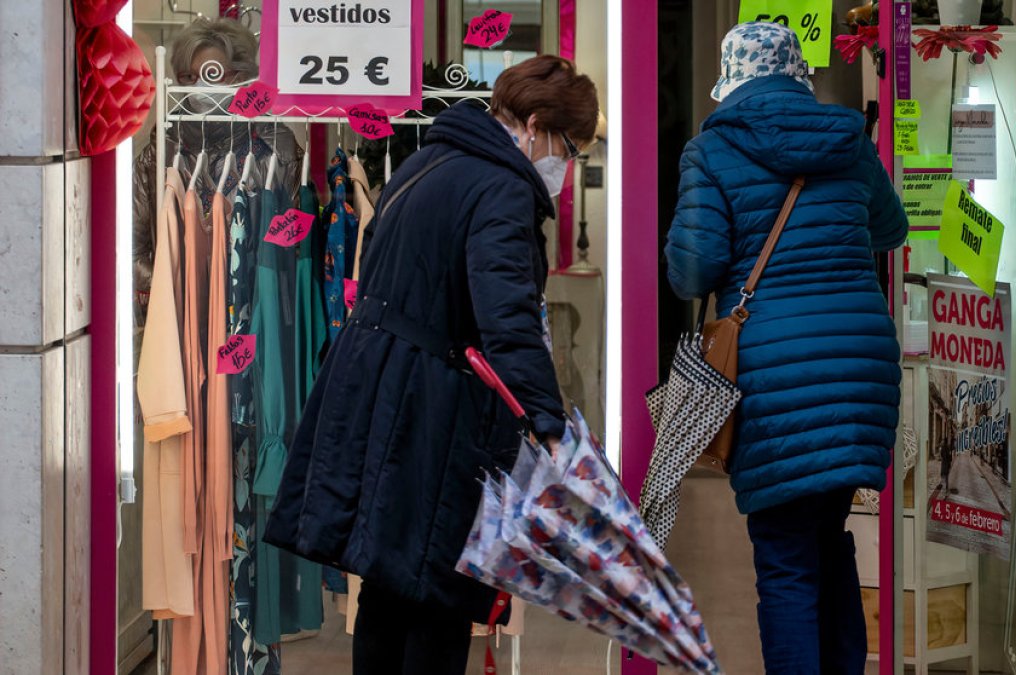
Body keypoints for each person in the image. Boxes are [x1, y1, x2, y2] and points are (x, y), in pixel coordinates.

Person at [264, 55, 598, 675]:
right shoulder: (500, 186)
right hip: (432, 412)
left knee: (391, 586)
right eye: (568, 147)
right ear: (533, 124)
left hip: (380, 390)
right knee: (438, 595)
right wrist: (549, 424)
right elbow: (508, 319)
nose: (565, 165)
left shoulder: (430, 161)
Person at [666, 22, 908, 674]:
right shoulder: (848, 141)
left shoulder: (712, 151)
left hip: (775, 376)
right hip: (860, 372)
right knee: (826, 538)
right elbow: (892, 227)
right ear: (796, 73)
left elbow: (693, 268)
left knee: (785, 562)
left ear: (731, 81)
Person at [132, 17, 302, 325]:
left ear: (240, 75)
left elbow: (294, 245)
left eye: (212, 76)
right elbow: (132, 246)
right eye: (188, 76)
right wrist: (179, 290)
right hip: (182, 319)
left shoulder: (274, 145)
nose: (198, 87)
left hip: (256, 316)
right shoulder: (163, 148)